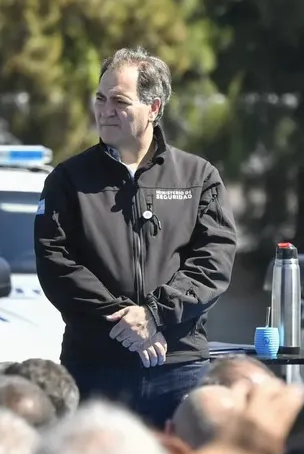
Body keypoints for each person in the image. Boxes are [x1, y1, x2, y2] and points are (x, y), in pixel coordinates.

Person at [33, 46, 237, 428]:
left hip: (179, 367)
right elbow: (56, 264)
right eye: (100, 98)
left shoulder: (198, 177)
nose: (105, 110)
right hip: (95, 368)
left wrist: (155, 315)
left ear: (154, 109)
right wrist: (127, 324)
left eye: (119, 101)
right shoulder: (68, 180)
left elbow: (213, 262)